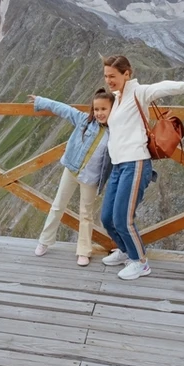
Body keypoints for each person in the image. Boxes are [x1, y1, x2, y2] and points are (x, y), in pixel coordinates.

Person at [100, 55, 184, 280]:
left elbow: (161, 88)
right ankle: (125, 251)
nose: (108, 80)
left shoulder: (139, 92)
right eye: (106, 76)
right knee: (107, 218)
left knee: (122, 219)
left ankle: (140, 262)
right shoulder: (116, 98)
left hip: (135, 163)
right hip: (118, 165)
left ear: (127, 74)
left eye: (113, 76)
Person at [28, 88, 115, 266]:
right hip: (72, 170)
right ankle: (44, 240)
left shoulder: (115, 131)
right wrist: (41, 101)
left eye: (103, 109)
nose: (99, 113)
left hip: (91, 178)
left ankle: (83, 250)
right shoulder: (84, 120)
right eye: (96, 109)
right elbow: (63, 109)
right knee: (58, 204)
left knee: (86, 214)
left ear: (112, 109)